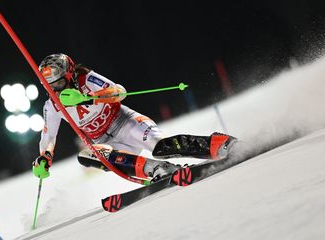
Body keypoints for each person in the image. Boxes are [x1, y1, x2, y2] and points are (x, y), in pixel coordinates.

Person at [33, 53, 236, 181]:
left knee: (161, 147)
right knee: (86, 155)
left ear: (69, 76)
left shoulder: (87, 78)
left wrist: (89, 98)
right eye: (48, 86)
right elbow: (49, 137)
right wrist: (45, 157)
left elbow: (120, 92)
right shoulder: (52, 106)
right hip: (105, 142)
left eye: (57, 84)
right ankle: (158, 170)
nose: (54, 91)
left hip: (125, 123)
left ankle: (219, 144)